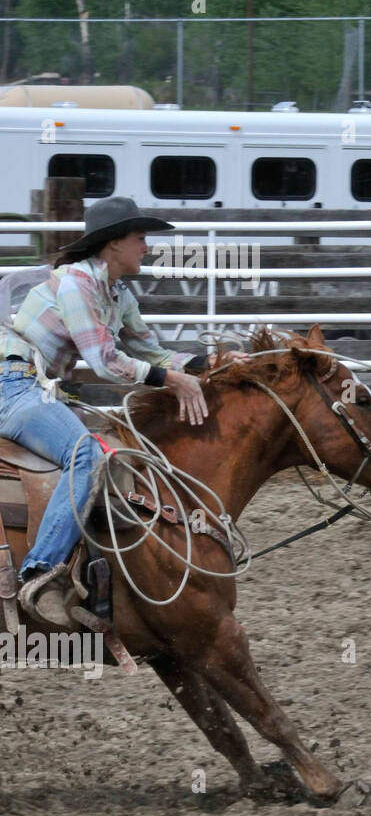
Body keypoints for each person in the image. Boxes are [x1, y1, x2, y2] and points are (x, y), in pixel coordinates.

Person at [0, 196, 245, 626]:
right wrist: (171, 380)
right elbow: (104, 361)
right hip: (13, 385)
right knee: (87, 453)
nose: (147, 247)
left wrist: (212, 363)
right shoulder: (77, 284)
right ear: (114, 243)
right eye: (140, 238)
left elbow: (152, 352)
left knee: (112, 451)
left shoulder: (117, 294)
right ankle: (41, 572)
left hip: (33, 388)